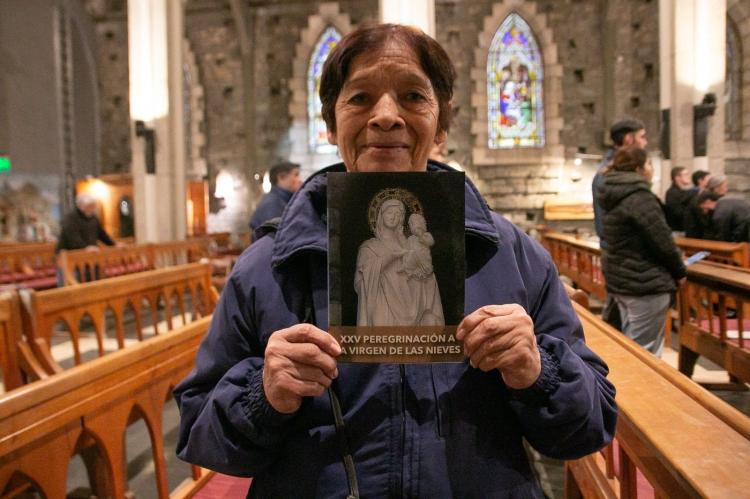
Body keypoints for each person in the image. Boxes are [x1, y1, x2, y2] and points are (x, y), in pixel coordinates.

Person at [174, 24, 617, 498]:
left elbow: (591, 426)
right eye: (360, 98)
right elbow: (201, 435)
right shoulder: (268, 267)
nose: (386, 116)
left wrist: (538, 371)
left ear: (442, 124)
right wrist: (263, 396)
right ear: (330, 122)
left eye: (412, 96)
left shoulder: (511, 255)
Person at [598, 146, 686, 357]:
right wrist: (680, 270)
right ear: (638, 168)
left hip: (623, 279)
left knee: (630, 343)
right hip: (644, 283)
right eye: (649, 163)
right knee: (644, 353)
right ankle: (638, 390)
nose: (651, 169)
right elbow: (662, 240)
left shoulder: (611, 193)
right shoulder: (639, 196)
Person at [592, 118, 646, 329]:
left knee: (622, 324)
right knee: (634, 333)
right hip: (627, 262)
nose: (645, 142)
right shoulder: (609, 174)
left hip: (623, 262)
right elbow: (609, 225)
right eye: (642, 137)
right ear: (628, 138)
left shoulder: (610, 173)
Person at [248, 160, 302, 238]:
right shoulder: (272, 204)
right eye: (296, 175)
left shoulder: (283, 200)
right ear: (281, 177)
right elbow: (279, 240)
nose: (300, 180)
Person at [663, 166, 695, 231]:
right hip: (678, 230)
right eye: (686, 174)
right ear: (677, 178)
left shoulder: (687, 192)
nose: (689, 176)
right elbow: (677, 213)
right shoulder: (671, 193)